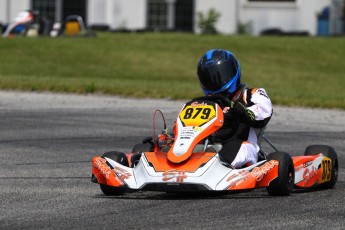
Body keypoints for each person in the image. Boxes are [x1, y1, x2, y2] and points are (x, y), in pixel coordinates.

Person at [196, 49, 273, 168]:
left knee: (236, 147)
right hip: (209, 148)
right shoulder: (204, 103)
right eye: (209, 77)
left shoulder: (251, 94)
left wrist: (243, 111)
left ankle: (216, 165)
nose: (215, 81)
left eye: (220, 75)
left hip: (244, 148)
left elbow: (263, 114)